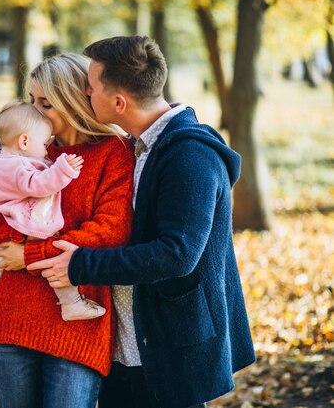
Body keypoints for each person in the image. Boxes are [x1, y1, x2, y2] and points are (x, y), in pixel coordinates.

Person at [28, 36, 256, 408]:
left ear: (118, 102)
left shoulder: (189, 155)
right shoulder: (138, 147)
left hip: (167, 350)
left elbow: (177, 254)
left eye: (91, 87)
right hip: (127, 346)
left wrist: (81, 264)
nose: (84, 93)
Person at [0, 53, 135, 408]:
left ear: (74, 99)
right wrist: (4, 238)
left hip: (77, 323)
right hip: (12, 315)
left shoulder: (113, 153)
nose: (34, 112)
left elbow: (110, 232)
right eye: (31, 100)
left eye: (46, 103)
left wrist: (28, 253)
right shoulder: (21, 149)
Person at [0, 100, 107, 331]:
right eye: (43, 142)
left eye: (45, 103)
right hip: (23, 226)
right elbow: (39, 185)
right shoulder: (18, 168)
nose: (47, 148)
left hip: (1, 238)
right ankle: (71, 303)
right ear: (24, 141)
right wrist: (62, 169)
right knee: (54, 258)